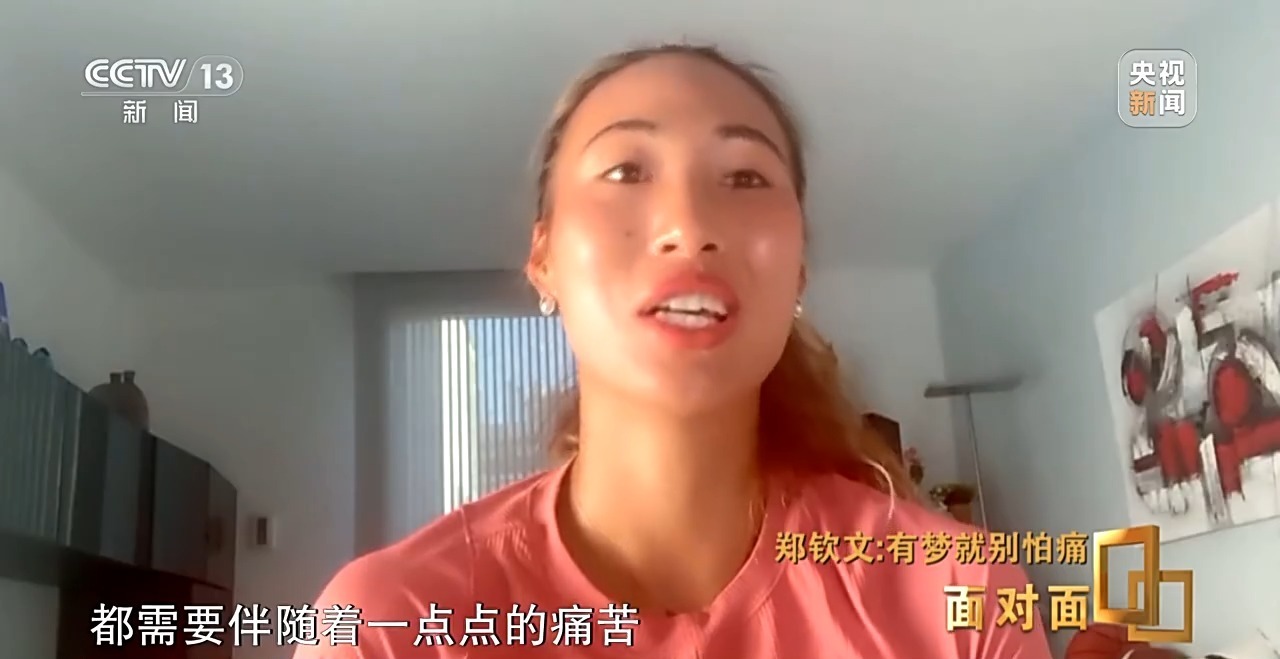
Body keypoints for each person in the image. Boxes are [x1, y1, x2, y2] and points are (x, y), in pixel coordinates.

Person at [294, 44, 1052, 658]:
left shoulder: (963, 592)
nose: (689, 226)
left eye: (746, 177)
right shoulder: (390, 624)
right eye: (626, 170)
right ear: (545, 257)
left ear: (798, 271)